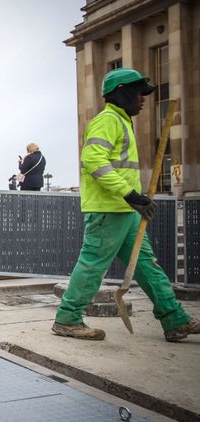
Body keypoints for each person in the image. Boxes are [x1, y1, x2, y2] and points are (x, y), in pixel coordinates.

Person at [53, 67, 198, 342]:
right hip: (108, 209)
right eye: (138, 93)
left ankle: (175, 319)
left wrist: (133, 200)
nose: (143, 99)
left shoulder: (122, 122)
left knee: (146, 264)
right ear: (120, 93)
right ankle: (68, 318)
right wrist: (130, 194)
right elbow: (94, 160)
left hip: (124, 209)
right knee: (93, 263)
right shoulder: (108, 120)